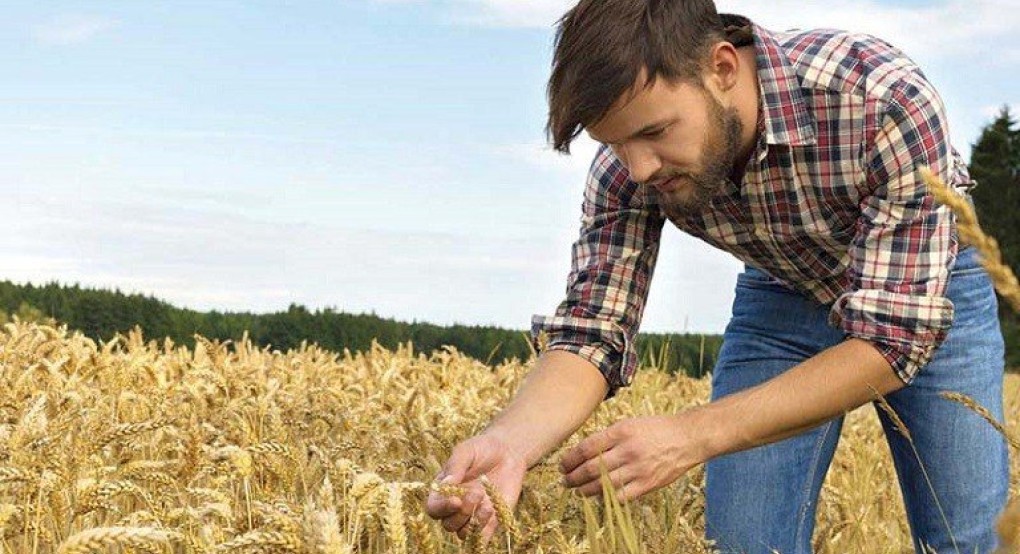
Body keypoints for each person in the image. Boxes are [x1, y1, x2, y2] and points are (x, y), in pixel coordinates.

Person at [424, 1, 1010, 552]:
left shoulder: (880, 96)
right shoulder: (627, 168)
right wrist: (512, 443)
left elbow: (890, 339)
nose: (639, 168)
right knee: (745, 543)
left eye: (654, 132)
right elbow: (592, 330)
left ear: (722, 67)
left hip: (928, 295)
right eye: (615, 143)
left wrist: (691, 434)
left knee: (966, 537)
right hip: (781, 295)